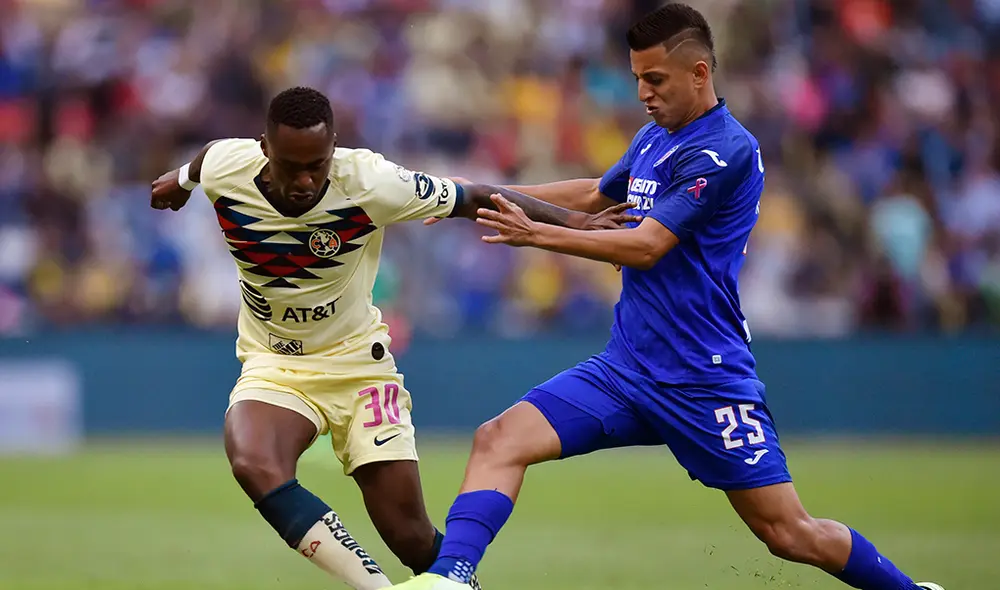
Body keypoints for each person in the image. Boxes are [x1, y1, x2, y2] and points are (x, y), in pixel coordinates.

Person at [393, 5, 944, 590]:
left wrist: (537, 236)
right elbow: (592, 196)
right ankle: (452, 579)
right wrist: (464, 196)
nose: (642, 93)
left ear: (700, 74)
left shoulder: (726, 150)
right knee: (499, 438)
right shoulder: (654, 137)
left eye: (655, 79)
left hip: (704, 378)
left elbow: (647, 244)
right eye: (637, 78)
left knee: (789, 534)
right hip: (627, 369)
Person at [149, 86, 636, 590]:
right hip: (275, 364)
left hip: (360, 365)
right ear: (265, 147)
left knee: (410, 537)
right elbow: (207, 160)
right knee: (252, 460)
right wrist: (181, 180)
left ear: (333, 147)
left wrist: (577, 222)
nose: (305, 180)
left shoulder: (370, 181)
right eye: (291, 166)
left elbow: (470, 196)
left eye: (317, 163)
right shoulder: (231, 167)